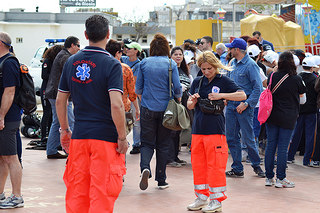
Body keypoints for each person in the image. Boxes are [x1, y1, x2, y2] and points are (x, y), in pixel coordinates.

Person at [56, 15, 128, 212]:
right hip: (105, 139)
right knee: (102, 192)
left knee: (77, 190)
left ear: (86, 35)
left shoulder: (71, 62)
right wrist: (122, 137)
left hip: (79, 137)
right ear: (108, 34)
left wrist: (64, 129)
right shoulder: (112, 65)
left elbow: (61, 100)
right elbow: (116, 105)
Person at [187, 51, 246, 212]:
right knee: (198, 165)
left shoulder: (223, 80)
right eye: (203, 69)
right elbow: (189, 106)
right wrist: (192, 101)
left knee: (215, 166)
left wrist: (221, 95)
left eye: (209, 68)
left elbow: (242, 94)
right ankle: (201, 197)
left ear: (215, 66)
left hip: (215, 130)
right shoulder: (197, 81)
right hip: (198, 129)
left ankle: (216, 200)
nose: (206, 72)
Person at [136, 33, 182, 190]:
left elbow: (138, 88)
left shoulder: (144, 63)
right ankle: (161, 179)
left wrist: (144, 101)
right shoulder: (171, 64)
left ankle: (145, 168)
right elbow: (177, 88)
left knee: (147, 142)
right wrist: (179, 99)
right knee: (163, 144)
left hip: (147, 107)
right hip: (166, 110)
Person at [224, 38, 265, 178]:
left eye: (231, 48)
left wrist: (247, 103)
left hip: (244, 107)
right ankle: (237, 168)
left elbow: (258, 88)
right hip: (231, 105)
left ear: (237, 50)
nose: (229, 50)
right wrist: (226, 98)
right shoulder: (232, 63)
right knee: (231, 137)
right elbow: (229, 83)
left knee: (248, 138)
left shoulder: (251, 65)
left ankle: (256, 165)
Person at [264, 51, 306, 188]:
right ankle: (280, 179)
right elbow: (303, 100)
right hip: (288, 117)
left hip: (271, 115)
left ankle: (269, 178)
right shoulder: (297, 78)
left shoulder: (273, 76)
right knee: (282, 148)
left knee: (270, 146)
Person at [45, 36, 80, 159]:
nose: (79, 49)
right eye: (78, 45)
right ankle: (72, 150)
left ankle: (52, 149)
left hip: (55, 95)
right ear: (72, 45)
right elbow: (69, 78)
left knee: (57, 121)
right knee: (69, 122)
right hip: (59, 96)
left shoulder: (63, 55)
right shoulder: (66, 58)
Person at [0, 32, 24, 209]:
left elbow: (10, 92)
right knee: (2, 158)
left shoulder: (9, 63)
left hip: (8, 117)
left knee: (11, 157)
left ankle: (16, 196)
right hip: (4, 117)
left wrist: (1, 116)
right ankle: (1, 194)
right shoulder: (4, 62)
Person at [287, 57, 318, 166]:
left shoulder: (297, 77)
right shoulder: (315, 79)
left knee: (295, 134)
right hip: (311, 110)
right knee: (310, 136)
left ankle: (290, 156)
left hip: (298, 110)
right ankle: (307, 160)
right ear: (312, 67)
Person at [167, 46, 193, 167]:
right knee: (171, 130)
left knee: (179, 130)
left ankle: (175, 156)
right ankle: (169, 158)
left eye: (180, 54)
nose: (178, 56)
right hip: (172, 103)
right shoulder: (169, 69)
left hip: (184, 103)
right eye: (175, 54)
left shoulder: (184, 70)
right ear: (170, 56)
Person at [105, 39, 140, 127]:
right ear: (118, 53)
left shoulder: (100, 66)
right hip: (122, 107)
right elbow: (132, 93)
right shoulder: (125, 69)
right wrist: (137, 109)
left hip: (104, 108)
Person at [122, 41, 142, 154]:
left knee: (135, 120)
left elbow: (133, 81)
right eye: (126, 48)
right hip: (124, 95)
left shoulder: (139, 65)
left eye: (130, 48)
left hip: (132, 95)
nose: (127, 50)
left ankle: (137, 143)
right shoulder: (123, 59)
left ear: (136, 51)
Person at [40, 45, 63, 143]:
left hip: (51, 89)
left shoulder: (54, 62)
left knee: (52, 115)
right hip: (46, 89)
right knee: (46, 113)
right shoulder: (47, 61)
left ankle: (50, 136)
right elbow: (44, 75)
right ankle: (43, 136)